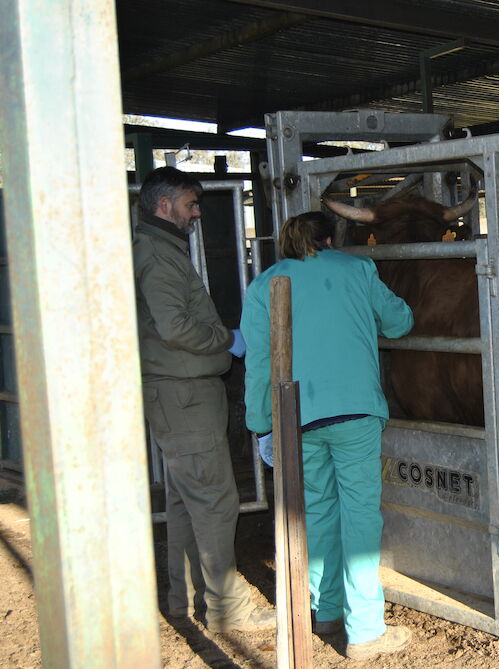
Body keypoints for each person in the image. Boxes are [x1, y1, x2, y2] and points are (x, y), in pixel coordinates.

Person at [241, 211, 414, 659]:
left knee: (316, 511)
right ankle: (365, 631)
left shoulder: (263, 285)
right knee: (359, 514)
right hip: (355, 413)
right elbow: (399, 322)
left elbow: (260, 363)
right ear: (333, 239)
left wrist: (262, 425)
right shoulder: (357, 269)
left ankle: (326, 610)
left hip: (296, 416)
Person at [133, 166, 276, 633]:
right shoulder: (157, 255)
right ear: (164, 205)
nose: (196, 213)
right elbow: (174, 326)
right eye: (190, 204)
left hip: (180, 394)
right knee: (214, 499)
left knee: (185, 499)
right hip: (184, 395)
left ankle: (185, 598)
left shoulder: (158, 249)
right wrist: (225, 341)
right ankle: (227, 609)